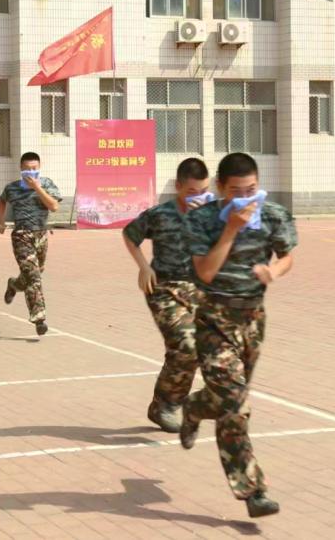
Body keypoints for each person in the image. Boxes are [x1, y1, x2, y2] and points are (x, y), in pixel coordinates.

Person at [180, 152, 298, 519]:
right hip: (214, 317)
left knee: (227, 398)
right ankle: (252, 490)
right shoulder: (201, 219)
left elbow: (287, 256)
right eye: (236, 191)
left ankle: (195, 407)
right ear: (220, 188)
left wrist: (274, 271)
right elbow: (205, 272)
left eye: (252, 190)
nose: (246, 198)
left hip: (253, 319)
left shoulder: (273, 215)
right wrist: (231, 229)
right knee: (234, 402)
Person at [122, 158, 211, 433]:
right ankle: (168, 404)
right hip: (163, 289)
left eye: (204, 192)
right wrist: (144, 266)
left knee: (197, 349)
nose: (198, 197)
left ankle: (167, 402)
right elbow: (130, 235)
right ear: (178, 187)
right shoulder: (161, 214)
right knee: (185, 344)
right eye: (192, 192)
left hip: (198, 290)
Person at [0, 152, 62, 336]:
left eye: (34, 169)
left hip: (41, 235)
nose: (31, 172)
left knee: (35, 272)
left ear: (39, 168)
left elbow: (54, 206)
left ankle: (14, 285)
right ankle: (39, 318)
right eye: (27, 170)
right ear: (21, 169)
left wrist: (37, 188)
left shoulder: (47, 184)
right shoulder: (12, 188)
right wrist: (1, 222)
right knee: (34, 277)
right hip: (21, 236)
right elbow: (2, 201)